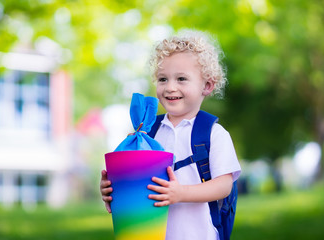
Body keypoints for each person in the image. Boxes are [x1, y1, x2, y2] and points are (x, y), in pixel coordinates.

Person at [100, 29, 241, 240]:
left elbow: (223, 185)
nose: (170, 87)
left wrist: (180, 193)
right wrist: (113, 189)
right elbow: (135, 184)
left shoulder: (213, 134)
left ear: (207, 85)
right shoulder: (146, 134)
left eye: (182, 79)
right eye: (163, 79)